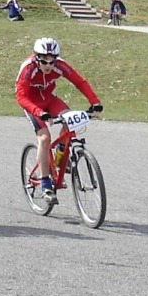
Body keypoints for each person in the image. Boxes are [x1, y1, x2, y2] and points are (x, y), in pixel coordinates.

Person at [15, 38, 102, 203]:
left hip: (49, 99)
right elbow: (20, 96)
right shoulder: (28, 68)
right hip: (32, 103)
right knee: (45, 138)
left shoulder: (60, 65)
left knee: (71, 121)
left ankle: (61, 156)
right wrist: (38, 112)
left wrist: (94, 102)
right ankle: (45, 182)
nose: (48, 66)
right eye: (44, 61)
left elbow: (79, 82)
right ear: (36, 58)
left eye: (52, 61)